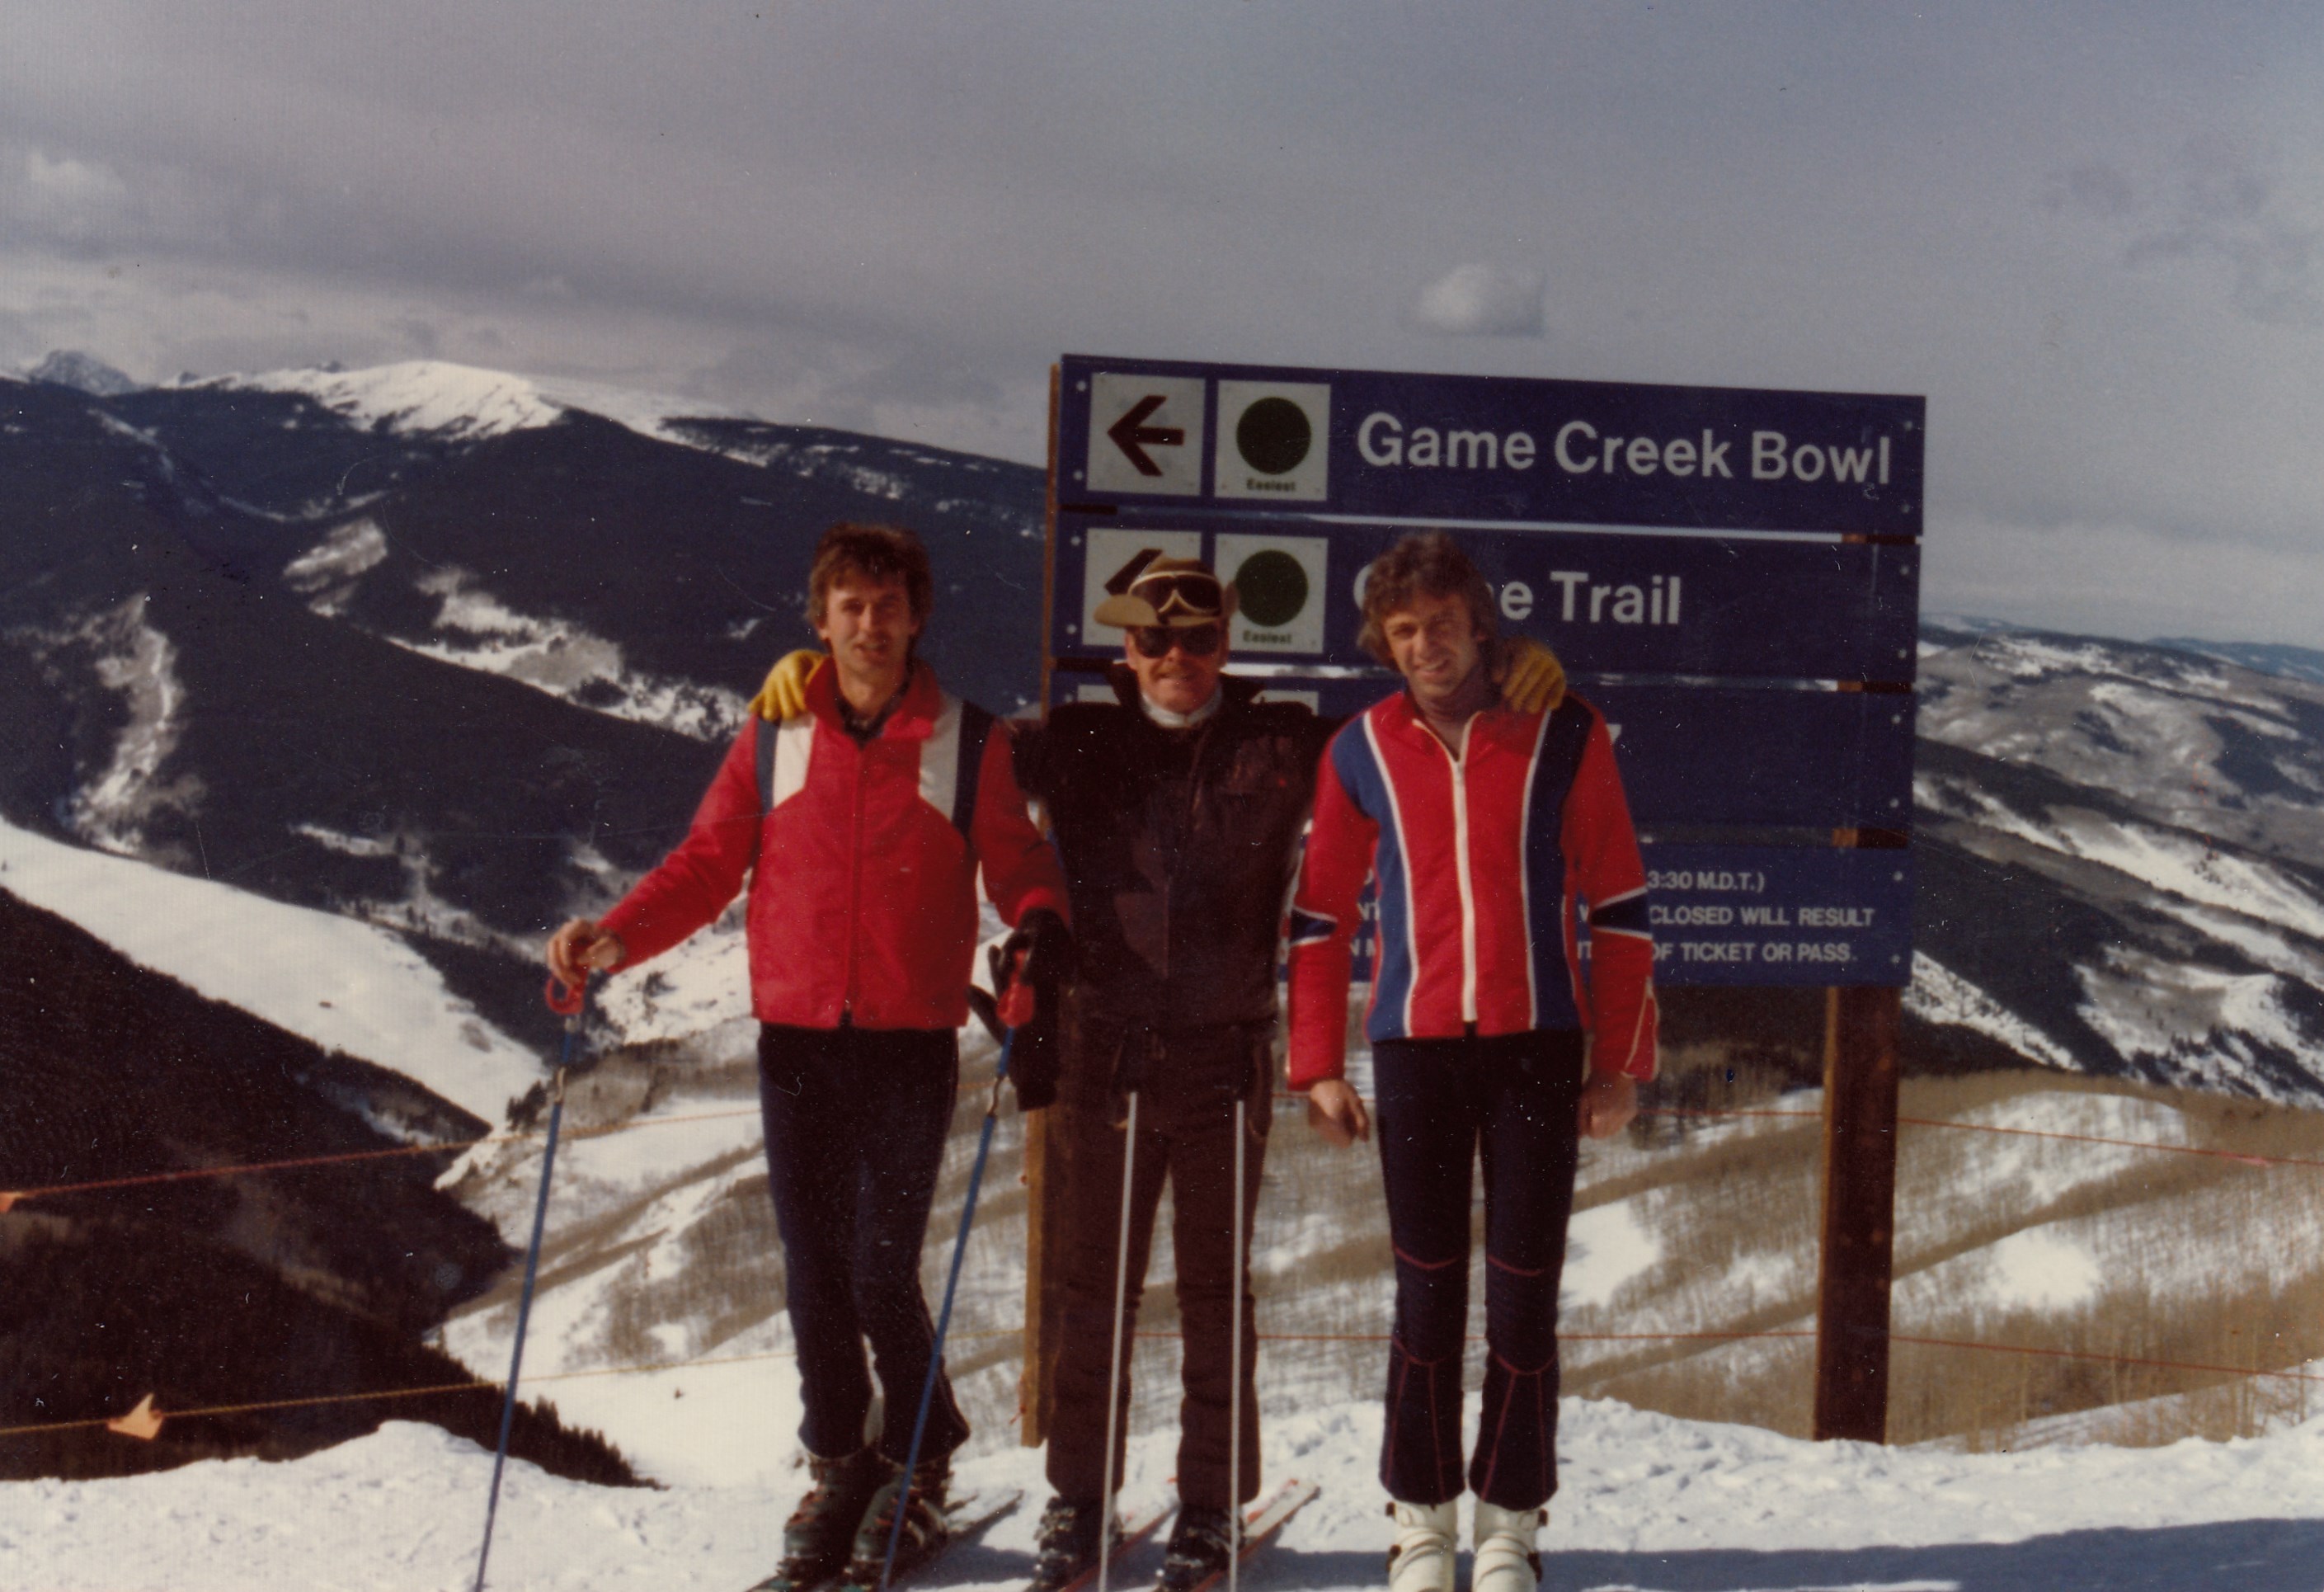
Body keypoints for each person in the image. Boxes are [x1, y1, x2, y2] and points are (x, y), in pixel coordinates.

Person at [755, 553, 1564, 1592]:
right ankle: (1079, 1498)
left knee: (1216, 1297)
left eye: (1200, 637)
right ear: (1124, 649)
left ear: (1227, 644)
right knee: (1091, 1292)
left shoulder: (1285, 742)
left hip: (1227, 1055)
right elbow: (938, 738)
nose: (1177, 656)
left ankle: (1211, 1505)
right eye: (1153, 638)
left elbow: (1419, 717)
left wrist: (1518, 669)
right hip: (1104, 1057)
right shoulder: (1069, 740)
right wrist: (824, 680)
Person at [547, 522, 1072, 1592]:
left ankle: (919, 1454)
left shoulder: (968, 740)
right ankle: (839, 1460)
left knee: (878, 1266)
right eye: (851, 606)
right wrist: (614, 937)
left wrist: (1037, 923)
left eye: (889, 606)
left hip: (907, 1045)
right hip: (795, 1042)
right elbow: (707, 863)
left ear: (917, 617)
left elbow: (1019, 859)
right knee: (813, 1269)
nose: (870, 624)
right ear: (820, 620)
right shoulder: (774, 732)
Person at [1285, 532, 1657, 1592]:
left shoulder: (1562, 729)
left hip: (1536, 1045)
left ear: (1478, 625)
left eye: (1442, 623)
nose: (1425, 646)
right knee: (1427, 1293)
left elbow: (1619, 899)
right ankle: (1419, 1523)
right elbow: (1320, 914)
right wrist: (1316, 1063)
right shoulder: (1360, 747)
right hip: (1414, 1051)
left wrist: (1619, 1060)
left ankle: (1509, 1525)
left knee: (1525, 1294)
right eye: (1403, 631)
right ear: (1383, 642)